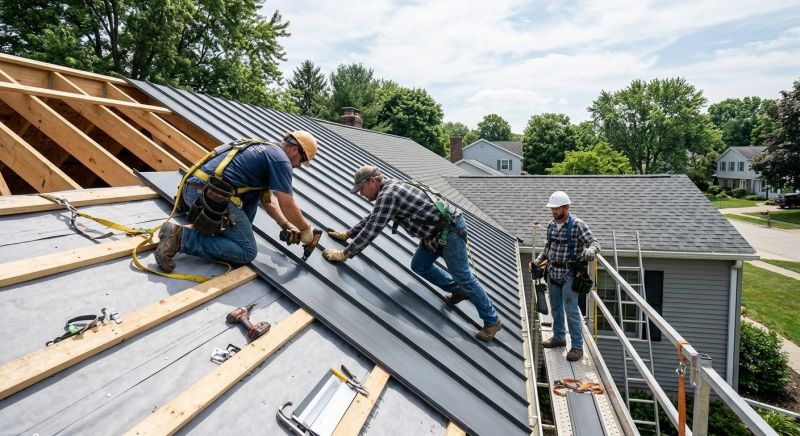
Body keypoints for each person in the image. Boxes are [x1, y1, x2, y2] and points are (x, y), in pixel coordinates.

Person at [322, 165, 502, 341]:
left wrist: (345, 254)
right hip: (433, 232)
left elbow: (372, 230)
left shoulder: (388, 195)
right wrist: (348, 234)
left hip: (450, 231)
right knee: (420, 265)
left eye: (362, 189)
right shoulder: (389, 187)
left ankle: (492, 321)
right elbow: (373, 218)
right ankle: (459, 290)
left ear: (372, 181)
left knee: (464, 277)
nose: (361, 194)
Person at [154, 131, 319, 272]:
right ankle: (179, 238)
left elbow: (267, 201)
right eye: (301, 162)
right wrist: (306, 230)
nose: (298, 166)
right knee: (247, 251)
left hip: (200, 190)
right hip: (208, 195)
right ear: (294, 150)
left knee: (254, 195)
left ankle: (219, 234)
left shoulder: (269, 150)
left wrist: (286, 225)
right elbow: (287, 204)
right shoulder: (282, 160)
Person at [532, 191, 600, 361]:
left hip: (570, 273)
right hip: (553, 272)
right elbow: (548, 248)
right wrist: (537, 261)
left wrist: (590, 251)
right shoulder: (550, 225)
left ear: (566, 207)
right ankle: (559, 337)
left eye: (557, 208)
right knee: (555, 308)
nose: (554, 211)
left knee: (571, 310)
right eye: (552, 208)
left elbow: (595, 243)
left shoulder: (577, 225)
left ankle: (577, 347)